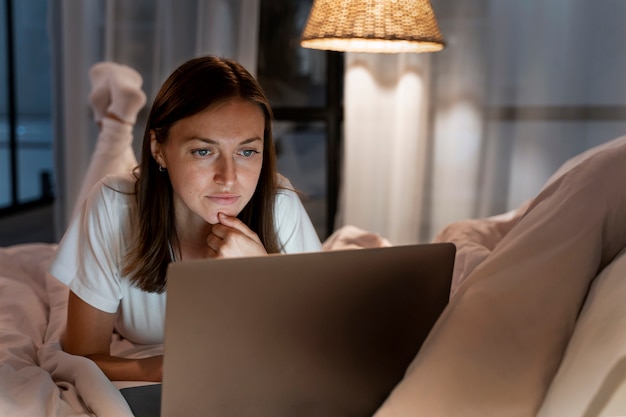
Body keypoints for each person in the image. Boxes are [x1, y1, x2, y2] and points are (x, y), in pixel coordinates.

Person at [49, 56, 322, 383]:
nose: (229, 178)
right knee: (113, 185)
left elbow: (316, 344)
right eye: (203, 151)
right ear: (158, 148)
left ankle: (118, 121)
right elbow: (83, 355)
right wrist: (161, 368)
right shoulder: (113, 205)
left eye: (247, 151)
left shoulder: (280, 205)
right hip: (138, 197)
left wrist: (260, 276)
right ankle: (117, 122)